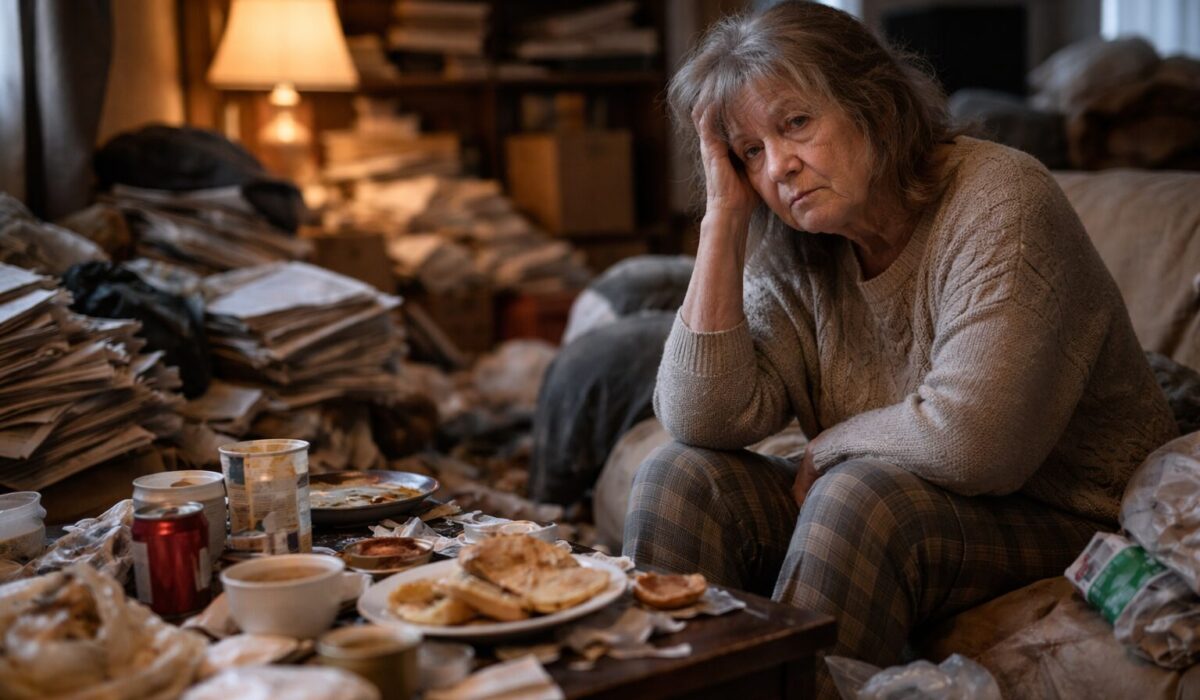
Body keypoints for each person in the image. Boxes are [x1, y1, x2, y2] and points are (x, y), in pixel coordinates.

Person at [621, 2, 1178, 697]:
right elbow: (700, 417)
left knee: (858, 495)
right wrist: (723, 218)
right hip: (914, 498)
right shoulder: (799, 246)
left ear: (874, 104)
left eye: (795, 124)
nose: (779, 168)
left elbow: (978, 440)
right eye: (750, 151)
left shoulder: (1001, 198)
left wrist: (830, 447)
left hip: (1068, 509)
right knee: (678, 476)